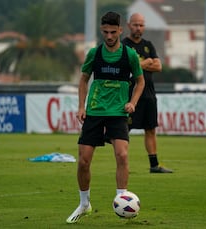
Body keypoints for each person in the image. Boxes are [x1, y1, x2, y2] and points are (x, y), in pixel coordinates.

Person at [66, 11, 145, 224]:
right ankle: (84, 204)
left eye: (113, 32)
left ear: (120, 30)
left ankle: (122, 199)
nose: (109, 36)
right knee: (83, 161)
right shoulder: (94, 54)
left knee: (122, 155)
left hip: (118, 113)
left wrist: (132, 103)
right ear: (102, 31)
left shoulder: (129, 55)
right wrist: (81, 106)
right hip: (94, 111)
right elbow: (83, 81)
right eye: (105, 32)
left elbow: (140, 82)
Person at [122, 13, 173, 173]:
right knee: (124, 130)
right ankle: (123, 164)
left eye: (141, 25)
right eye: (135, 24)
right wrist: (145, 63)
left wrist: (139, 65)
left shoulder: (148, 45)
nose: (138, 28)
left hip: (149, 94)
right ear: (129, 25)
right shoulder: (123, 45)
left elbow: (158, 66)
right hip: (130, 94)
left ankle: (154, 165)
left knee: (151, 129)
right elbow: (126, 68)